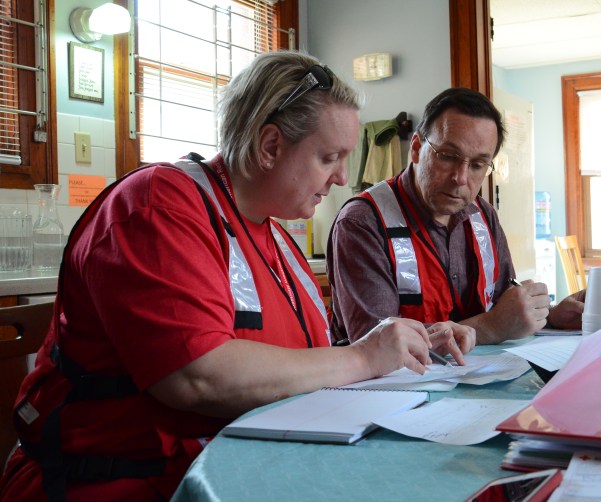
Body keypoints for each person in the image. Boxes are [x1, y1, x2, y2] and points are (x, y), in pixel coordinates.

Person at [0, 52, 475, 502]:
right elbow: (197, 377)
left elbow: (309, 360)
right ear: (270, 146)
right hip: (123, 482)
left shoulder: (276, 237)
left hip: (238, 466)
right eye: (329, 157)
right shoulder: (157, 205)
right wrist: (363, 358)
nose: (340, 178)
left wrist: (403, 343)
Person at [327, 87, 585, 345]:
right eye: (448, 157)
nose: (460, 178)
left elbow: (505, 310)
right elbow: (375, 345)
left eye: (477, 165)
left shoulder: (483, 216)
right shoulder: (361, 222)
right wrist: (490, 328)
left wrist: (547, 317)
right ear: (416, 149)